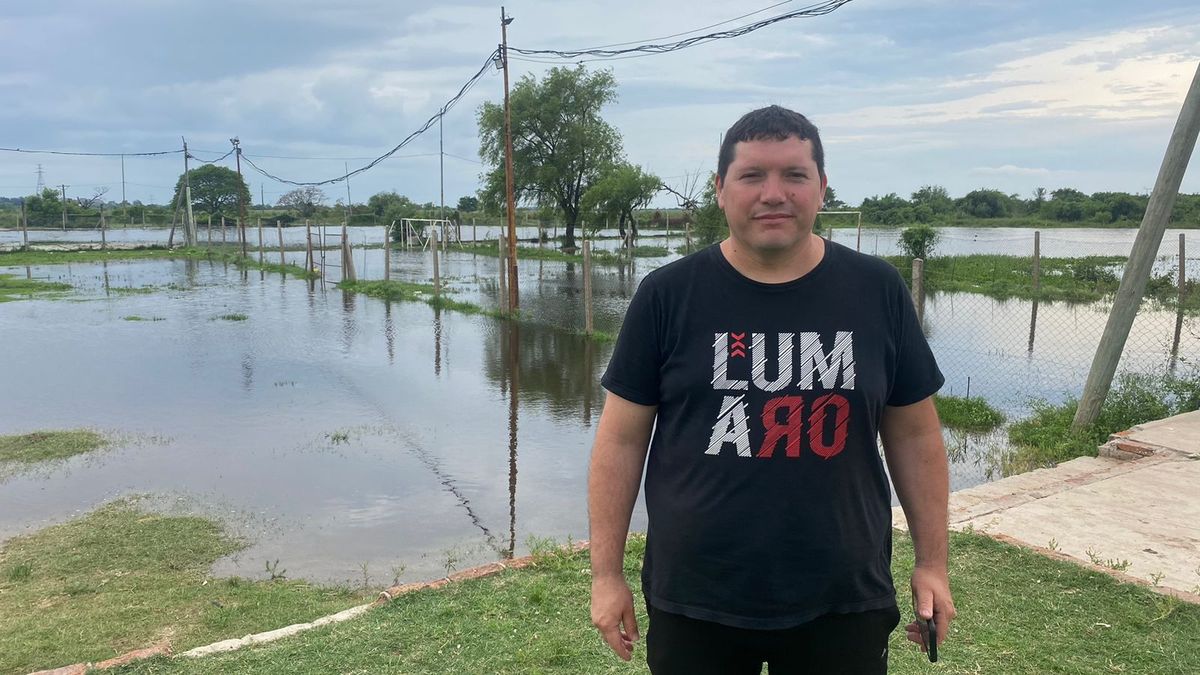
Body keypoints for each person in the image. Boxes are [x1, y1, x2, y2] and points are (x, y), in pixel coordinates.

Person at [588, 105, 955, 674]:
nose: (774, 193)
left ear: (822, 188)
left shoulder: (875, 290)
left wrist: (933, 563)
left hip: (842, 595)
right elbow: (620, 443)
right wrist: (605, 575)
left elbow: (915, 435)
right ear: (720, 189)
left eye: (795, 175)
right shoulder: (666, 296)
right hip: (697, 596)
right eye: (752, 175)